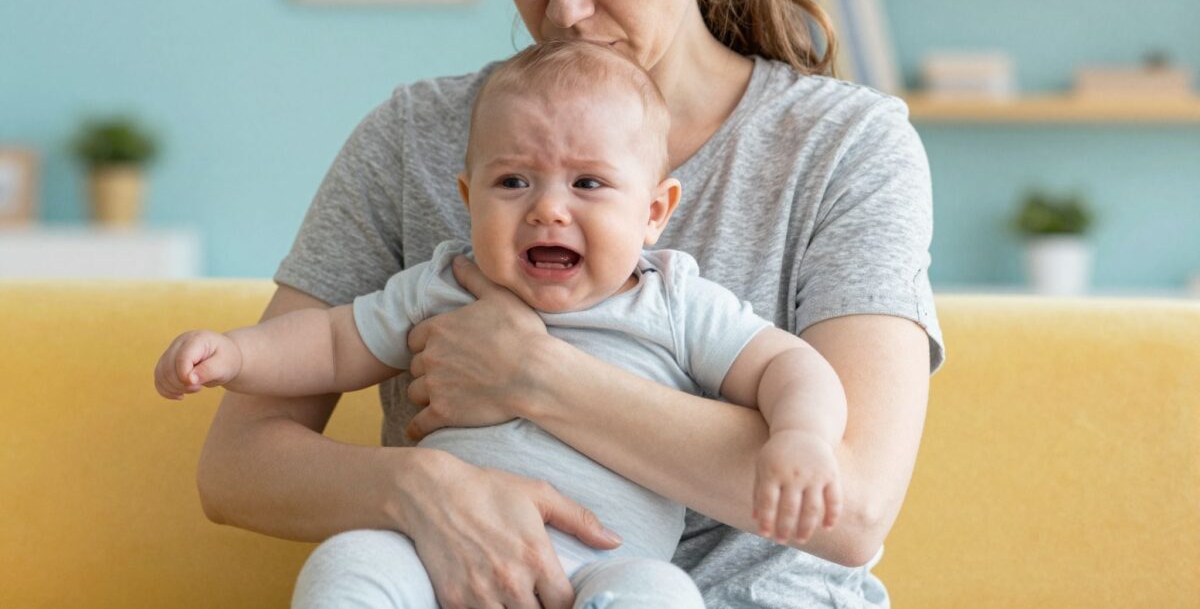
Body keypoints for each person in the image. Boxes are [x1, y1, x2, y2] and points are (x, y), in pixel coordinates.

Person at [195, 0, 946, 608]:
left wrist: (533, 376)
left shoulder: (841, 147)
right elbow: (237, 464)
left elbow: (847, 508)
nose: (565, 6)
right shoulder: (416, 137)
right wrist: (421, 489)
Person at [157, 40, 849, 608]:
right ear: (468, 196)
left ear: (654, 211)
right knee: (352, 561)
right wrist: (237, 353)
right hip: (434, 564)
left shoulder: (672, 300)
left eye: (588, 183)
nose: (549, 209)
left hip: (601, 576)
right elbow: (335, 340)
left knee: (662, 595)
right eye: (513, 182)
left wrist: (804, 436)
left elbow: (789, 366)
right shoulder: (444, 283)